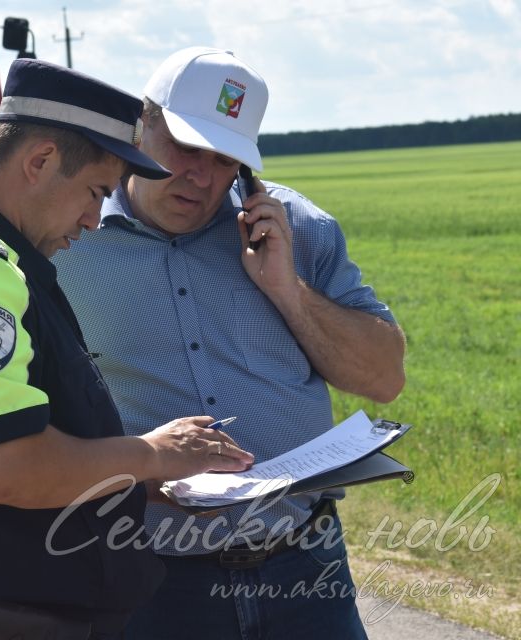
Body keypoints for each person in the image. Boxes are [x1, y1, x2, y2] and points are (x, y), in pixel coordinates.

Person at [0, 58, 255, 640]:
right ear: (41, 161)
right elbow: (4, 467)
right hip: (23, 623)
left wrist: (138, 478)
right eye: (95, 191)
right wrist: (151, 454)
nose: (95, 220)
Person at [53, 47, 407, 639]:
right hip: (147, 578)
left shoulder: (296, 229)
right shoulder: (71, 236)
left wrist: (287, 290)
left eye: (225, 159)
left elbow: (385, 378)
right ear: (142, 125)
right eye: (186, 147)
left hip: (305, 569)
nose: (201, 175)